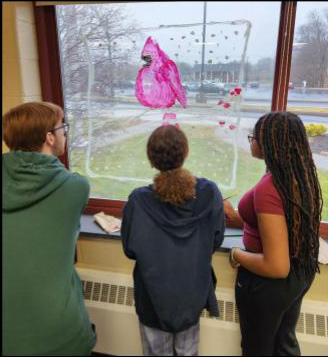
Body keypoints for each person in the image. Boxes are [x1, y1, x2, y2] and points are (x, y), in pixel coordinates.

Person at [224, 111, 323, 356]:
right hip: (299, 274)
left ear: (268, 142)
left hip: (270, 285)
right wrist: (234, 214)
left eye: (253, 137)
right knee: (283, 345)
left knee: (257, 350)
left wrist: (237, 254)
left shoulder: (270, 187)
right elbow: (275, 223)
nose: (250, 141)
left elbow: (276, 266)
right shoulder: (297, 176)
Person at [121, 124, 225, 356]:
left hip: (152, 298)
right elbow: (216, 240)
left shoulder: (138, 201)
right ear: (185, 153)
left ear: (151, 158)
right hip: (191, 295)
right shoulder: (209, 193)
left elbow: (130, 249)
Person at [3, 102, 96, 356]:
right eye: (62, 127)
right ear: (49, 137)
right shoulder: (75, 188)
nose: (65, 132)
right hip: (58, 333)